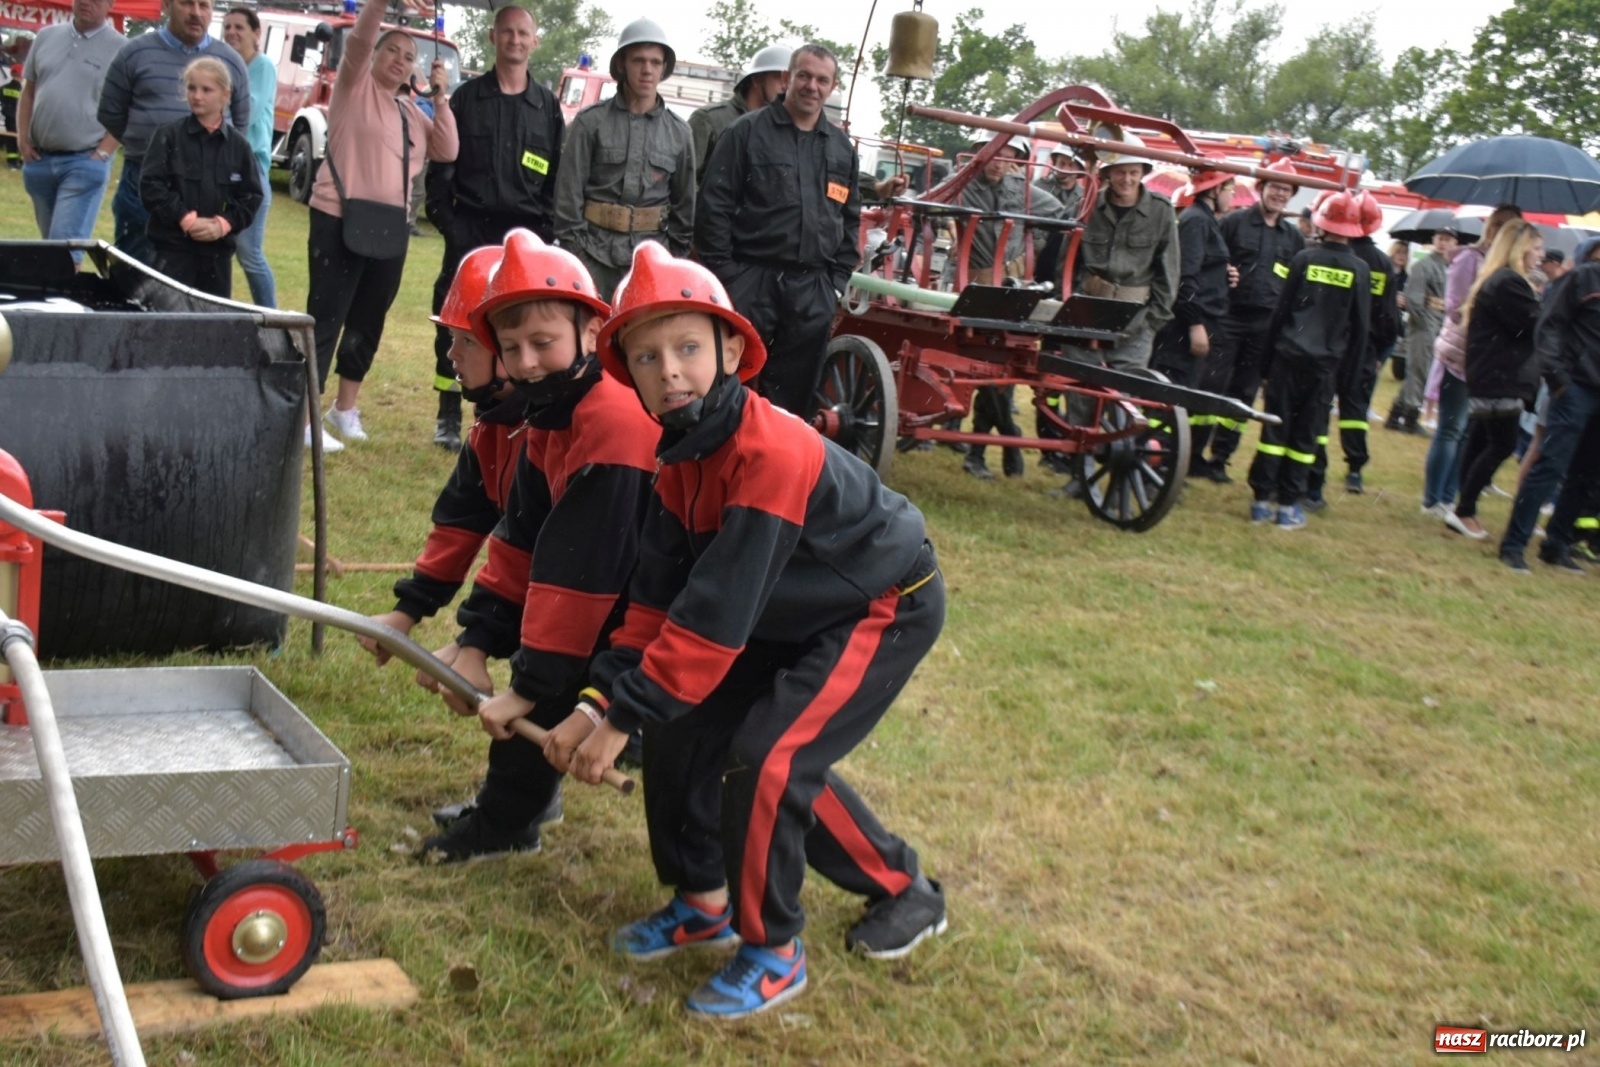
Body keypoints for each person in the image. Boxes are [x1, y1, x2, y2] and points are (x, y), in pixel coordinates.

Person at [536, 243, 947, 1020]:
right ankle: (703, 901)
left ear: (730, 350)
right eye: (647, 356)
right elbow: (655, 604)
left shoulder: (770, 452)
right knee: (686, 726)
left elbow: (714, 617)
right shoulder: (677, 460)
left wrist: (621, 718)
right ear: (628, 371)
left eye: (688, 348)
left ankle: (785, 944)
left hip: (880, 601)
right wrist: (600, 703)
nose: (670, 371)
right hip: (784, 601)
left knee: (770, 758)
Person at [393, 230, 657, 861]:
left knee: (734, 757)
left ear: (591, 333)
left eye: (542, 343)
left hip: (687, 606)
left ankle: (511, 818)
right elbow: (518, 544)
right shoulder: (548, 411)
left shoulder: (609, 423)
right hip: (626, 592)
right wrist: (477, 640)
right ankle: (514, 814)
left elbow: (576, 583)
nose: (527, 361)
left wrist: (530, 688)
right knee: (555, 659)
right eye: (512, 348)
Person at [305, 0, 457, 451]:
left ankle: (344, 409)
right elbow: (359, 38)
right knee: (327, 317)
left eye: (409, 56)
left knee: (368, 319)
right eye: (392, 50)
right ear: (374, 55)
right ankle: (305, 417)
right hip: (337, 216)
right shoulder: (353, 86)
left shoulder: (410, 112)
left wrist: (440, 96)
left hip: (389, 227)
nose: (400, 60)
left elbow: (447, 149)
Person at [425, 4, 564, 452]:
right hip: (470, 232)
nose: (515, 40)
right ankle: (448, 413)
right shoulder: (466, 99)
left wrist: (543, 234)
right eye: (507, 32)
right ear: (493, 37)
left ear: (535, 41)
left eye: (523, 33)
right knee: (456, 325)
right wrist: (451, 226)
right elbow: (440, 170)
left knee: (517, 327)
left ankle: (507, 412)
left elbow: (556, 179)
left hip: (524, 239)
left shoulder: (546, 107)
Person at [694, 43, 858, 419]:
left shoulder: (840, 149)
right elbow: (713, 207)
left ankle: (777, 456)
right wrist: (728, 276)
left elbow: (850, 220)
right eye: (804, 76)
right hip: (750, 282)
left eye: (822, 80)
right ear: (787, 78)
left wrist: (835, 283)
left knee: (791, 403)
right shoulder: (746, 132)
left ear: (832, 87)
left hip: (812, 291)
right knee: (724, 386)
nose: (812, 86)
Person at [1246, 189, 1370, 530]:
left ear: (1321, 223)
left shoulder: (1303, 259)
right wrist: (1350, 378)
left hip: (1287, 359)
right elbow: (1360, 330)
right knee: (1305, 436)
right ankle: (1288, 507)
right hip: (1324, 367)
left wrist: (1265, 365)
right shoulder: (1359, 270)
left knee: (1275, 428)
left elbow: (1280, 313)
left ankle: (1260, 502)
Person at [945, 133, 1064, 480]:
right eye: (995, 154)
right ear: (981, 154)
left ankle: (979, 452)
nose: (1000, 163)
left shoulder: (1022, 191)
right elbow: (931, 201)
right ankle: (1004, 438)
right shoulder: (962, 181)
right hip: (972, 290)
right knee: (986, 367)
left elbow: (1059, 214)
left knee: (1001, 370)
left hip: (1012, 291)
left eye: (1009, 157)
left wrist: (1033, 244)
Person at [98, 0, 249, 268]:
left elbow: (240, 123)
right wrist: (151, 148)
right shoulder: (134, 53)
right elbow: (110, 113)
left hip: (206, 192)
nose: (196, 13)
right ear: (167, 6)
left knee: (194, 280)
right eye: (186, 3)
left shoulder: (231, 62)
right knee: (133, 270)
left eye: (204, 5)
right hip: (142, 184)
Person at [553, 17, 694, 303]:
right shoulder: (590, 123)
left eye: (655, 62)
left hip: (651, 264)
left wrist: (669, 259)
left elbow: (685, 209)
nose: (647, 69)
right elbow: (567, 200)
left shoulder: (679, 133)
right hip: (592, 259)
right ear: (622, 64)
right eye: (638, 60)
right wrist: (579, 256)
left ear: (664, 68)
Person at [1190, 159, 1304, 482]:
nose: (1280, 194)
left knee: (1244, 392)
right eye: (1275, 187)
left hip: (1265, 327)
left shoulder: (1293, 238)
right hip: (1227, 318)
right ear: (1261, 188)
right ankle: (1193, 456)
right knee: (1210, 385)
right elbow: (1210, 262)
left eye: (1286, 190)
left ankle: (1220, 459)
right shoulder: (1233, 223)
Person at [1498, 243, 1600, 574]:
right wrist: (1558, 379)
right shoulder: (1583, 278)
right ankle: (1514, 545)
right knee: (1550, 466)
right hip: (1576, 387)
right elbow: (1550, 324)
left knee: (1587, 474)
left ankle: (1556, 544)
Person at [1442, 221, 1543, 540]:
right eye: (1537, 248)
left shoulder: (1499, 279)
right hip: (1500, 375)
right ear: (1520, 249)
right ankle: (1464, 510)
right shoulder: (1510, 283)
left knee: (1480, 440)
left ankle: (1462, 506)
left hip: (1489, 372)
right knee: (1502, 443)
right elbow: (1533, 326)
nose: (1541, 255)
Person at [1420, 205, 1523, 517]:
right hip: (1460, 353)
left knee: (1467, 431)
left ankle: (1449, 496)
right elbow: (1454, 307)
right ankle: (1433, 500)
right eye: (1503, 226)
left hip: (1484, 359)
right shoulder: (1470, 259)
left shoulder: (1507, 268)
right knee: (1451, 428)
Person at [137, 57, 260, 298]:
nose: (197, 96)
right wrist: (185, 219)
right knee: (167, 315)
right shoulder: (168, 135)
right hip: (171, 250)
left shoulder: (239, 146)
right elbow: (151, 186)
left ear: (225, 95)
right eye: (192, 88)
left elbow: (251, 197)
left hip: (216, 257)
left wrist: (223, 224)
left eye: (206, 90)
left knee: (211, 318)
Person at [1306, 191, 1396, 499]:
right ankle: (1355, 468)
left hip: (1327, 344)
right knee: (1355, 409)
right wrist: (1379, 350)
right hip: (1364, 349)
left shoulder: (1331, 254)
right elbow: (1389, 316)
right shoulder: (1382, 263)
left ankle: (1315, 462)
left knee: (1319, 406)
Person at [16, 0, 125, 255]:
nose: (86, 2)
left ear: (110, 4)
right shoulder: (46, 36)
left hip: (83, 160)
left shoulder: (122, 49)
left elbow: (129, 106)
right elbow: (29, 91)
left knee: (63, 249)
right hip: (39, 160)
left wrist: (103, 152)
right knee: (51, 246)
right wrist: (22, 140)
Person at [1152, 168, 1236, 395]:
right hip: (1184, 328)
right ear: (1215, 189)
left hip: (1201, 322)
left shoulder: (1205, 221)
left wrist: (1225, 274)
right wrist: (1195, 324)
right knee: (1170, 396)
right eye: (1230, 189)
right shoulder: (1196, 221)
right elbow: (1184, 276)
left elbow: (1202, 267)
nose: (1232, 195)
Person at [221, 6, 275, 307]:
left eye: (239, 27)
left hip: (250, 168)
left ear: (256, 34)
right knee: (220, 248)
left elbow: (247, 114)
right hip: (219, 166)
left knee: (248, 252)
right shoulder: (222, 65)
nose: (231, 32)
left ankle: (273, 318)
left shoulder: (262, 66)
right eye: (227, 26)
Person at [1389, 226, 1458, 436]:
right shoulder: (1423, 265)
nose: (1443, 243)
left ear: (1455, 243)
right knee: (1421, 371)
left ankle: (1395, 415)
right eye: (1440, 238)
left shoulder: (1451, 267)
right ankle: (1410, 417)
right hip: (1424, 325)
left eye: (1448, 239)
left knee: (1420, 371)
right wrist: (1426, 325)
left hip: (1440, 324)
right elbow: (1414, 300)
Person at [687, 43, 787, 187]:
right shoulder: (708, 119)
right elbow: (685, 182)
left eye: (789, 79)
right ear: (756, 79)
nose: (785, 86)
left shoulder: (781, 128)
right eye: (778, 77)